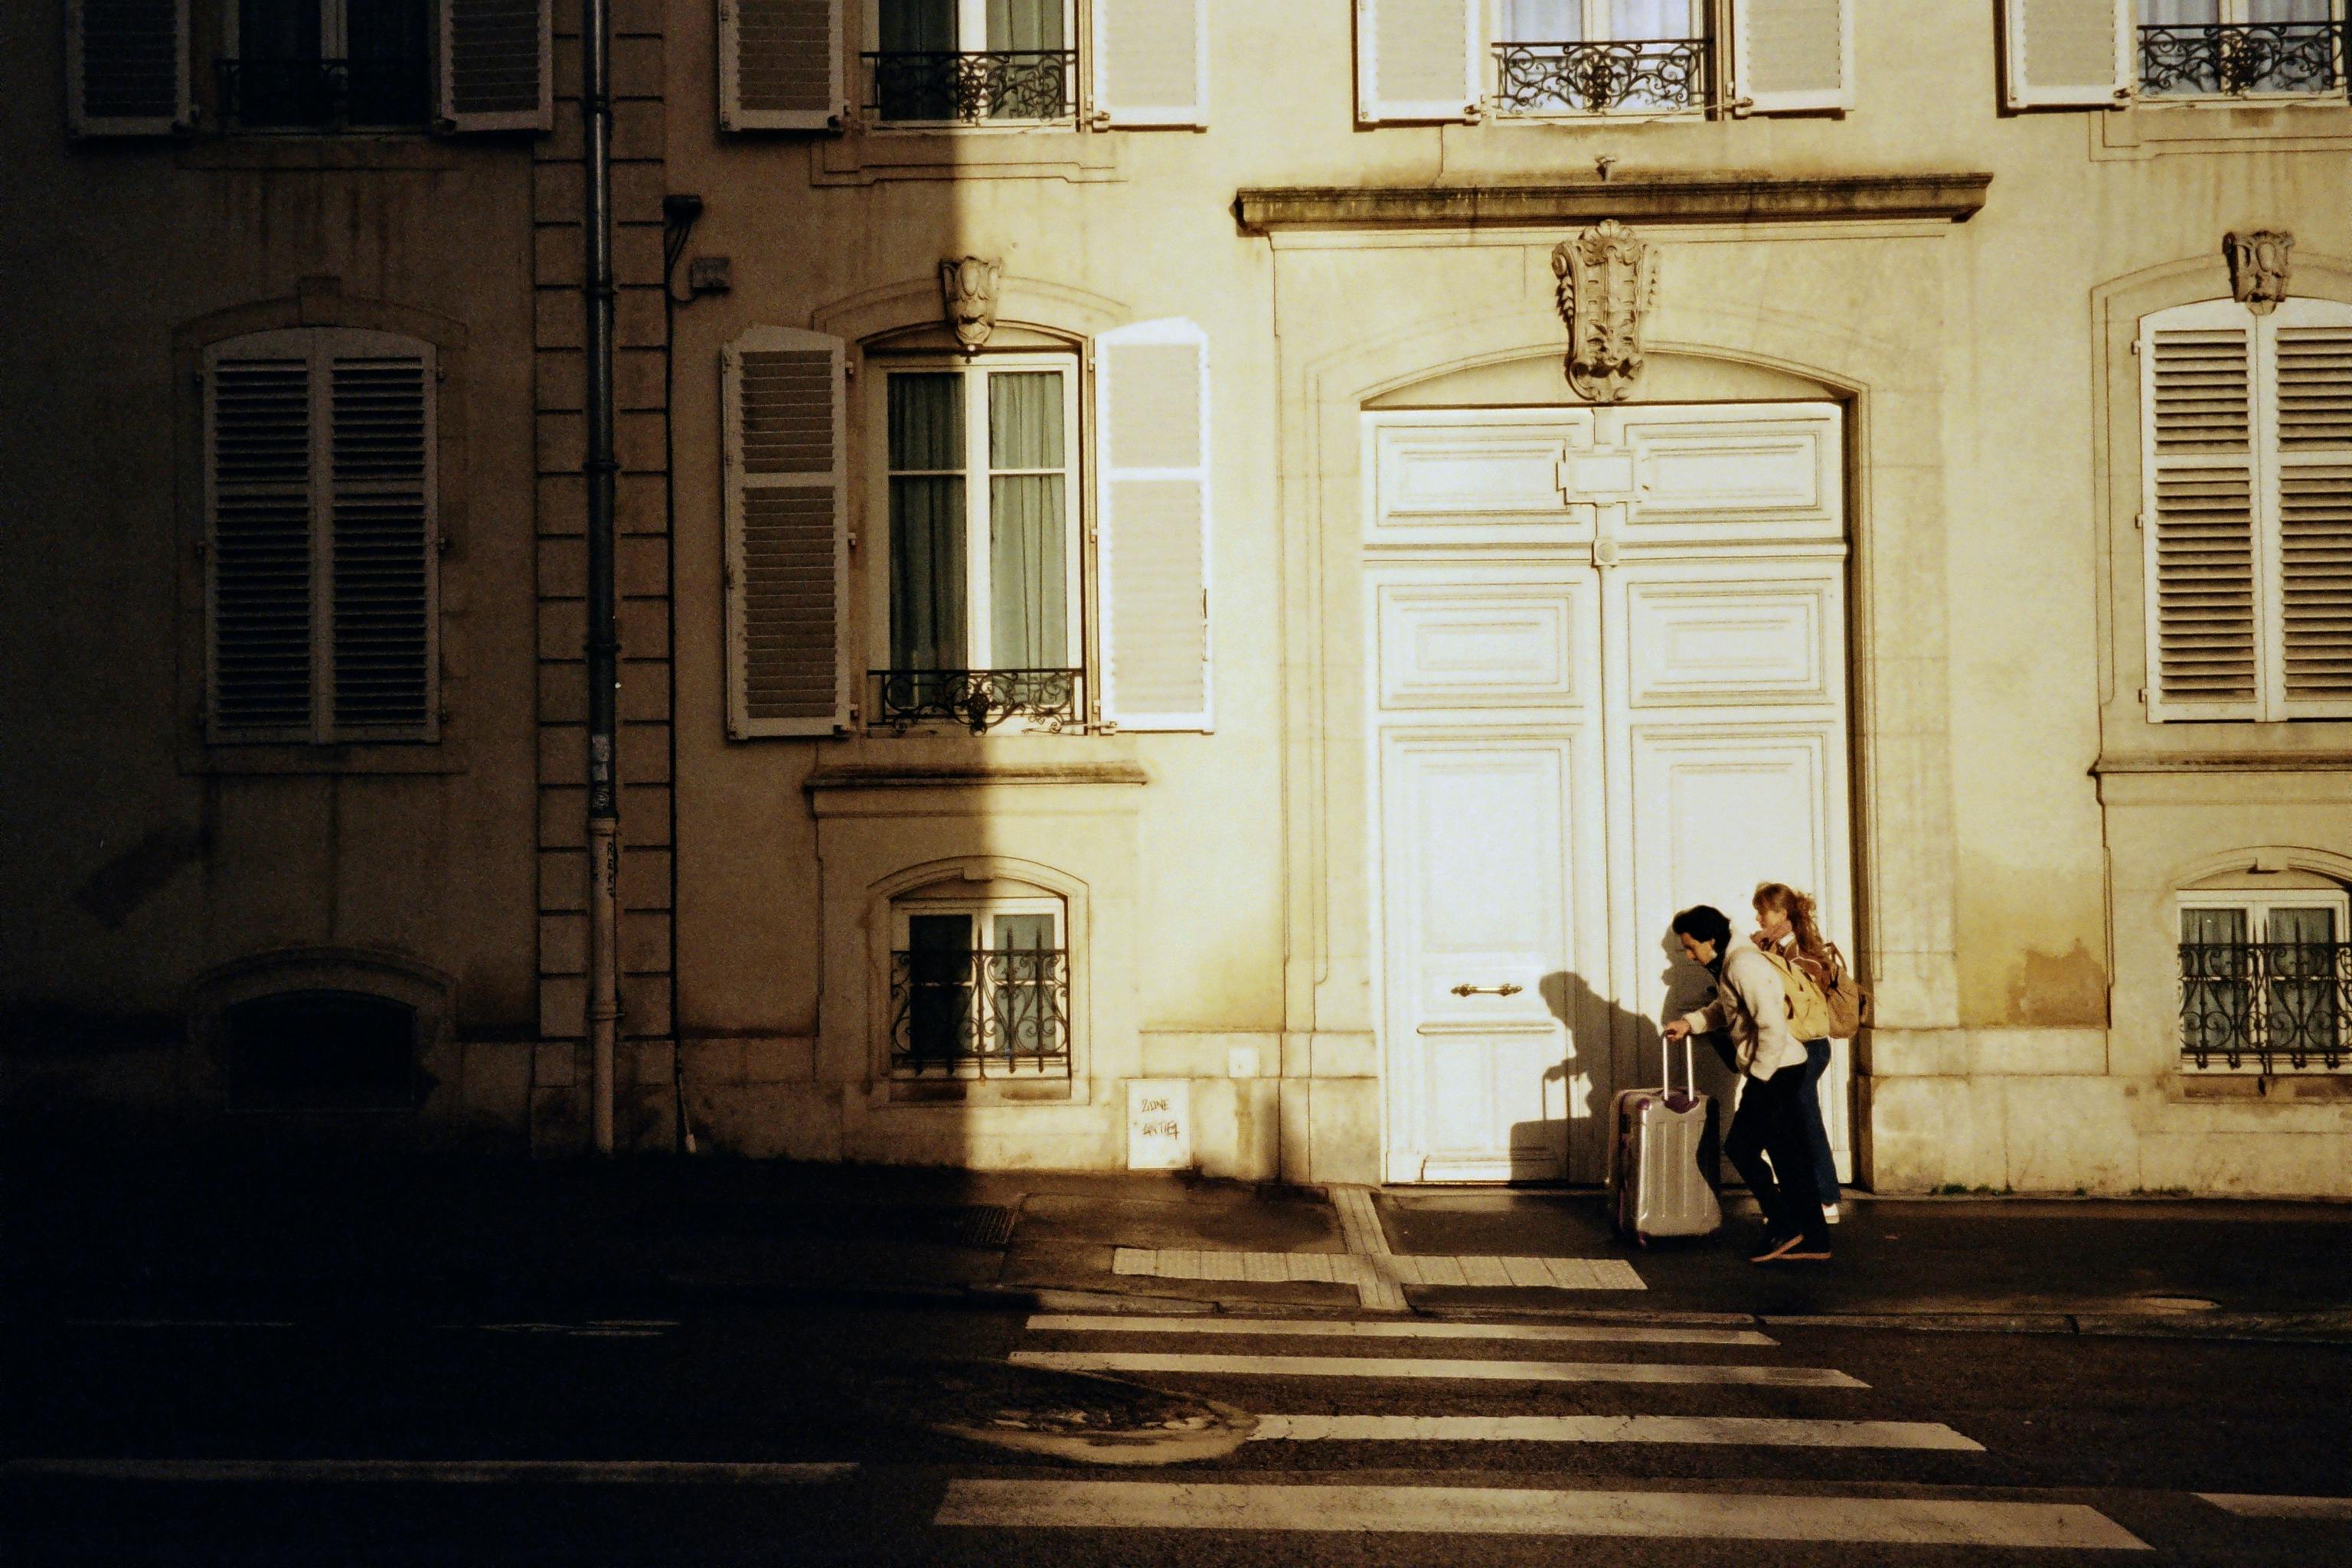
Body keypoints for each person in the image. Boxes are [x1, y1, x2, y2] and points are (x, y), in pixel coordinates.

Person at [1662, 904, 1830, 1263]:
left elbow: (1770, 1025)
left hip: (1777, 1069)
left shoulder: (1743, 965)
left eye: (1692, 947)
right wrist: (1691, 1023)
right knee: (1789, 1155)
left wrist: (1759, 1076)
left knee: (1741, 1147)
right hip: (1779, 1068)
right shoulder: (1732, 962)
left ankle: (1786, 1224)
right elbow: (1728, 1009)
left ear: (1711, 939)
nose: (1689, 956)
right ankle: (1814, 1238)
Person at [1753, 882, 1841, 1227]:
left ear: (1782, 913)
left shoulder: (1797, 951)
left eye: (1764, 910)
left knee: (1805, 1120)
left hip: (1808, 1046)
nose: (1758, 916)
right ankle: (1805, 1196)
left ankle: (1825, 1198)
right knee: (1791, 1120)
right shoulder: (1775, 946)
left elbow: (1805, 1001)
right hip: (1796, 1046)